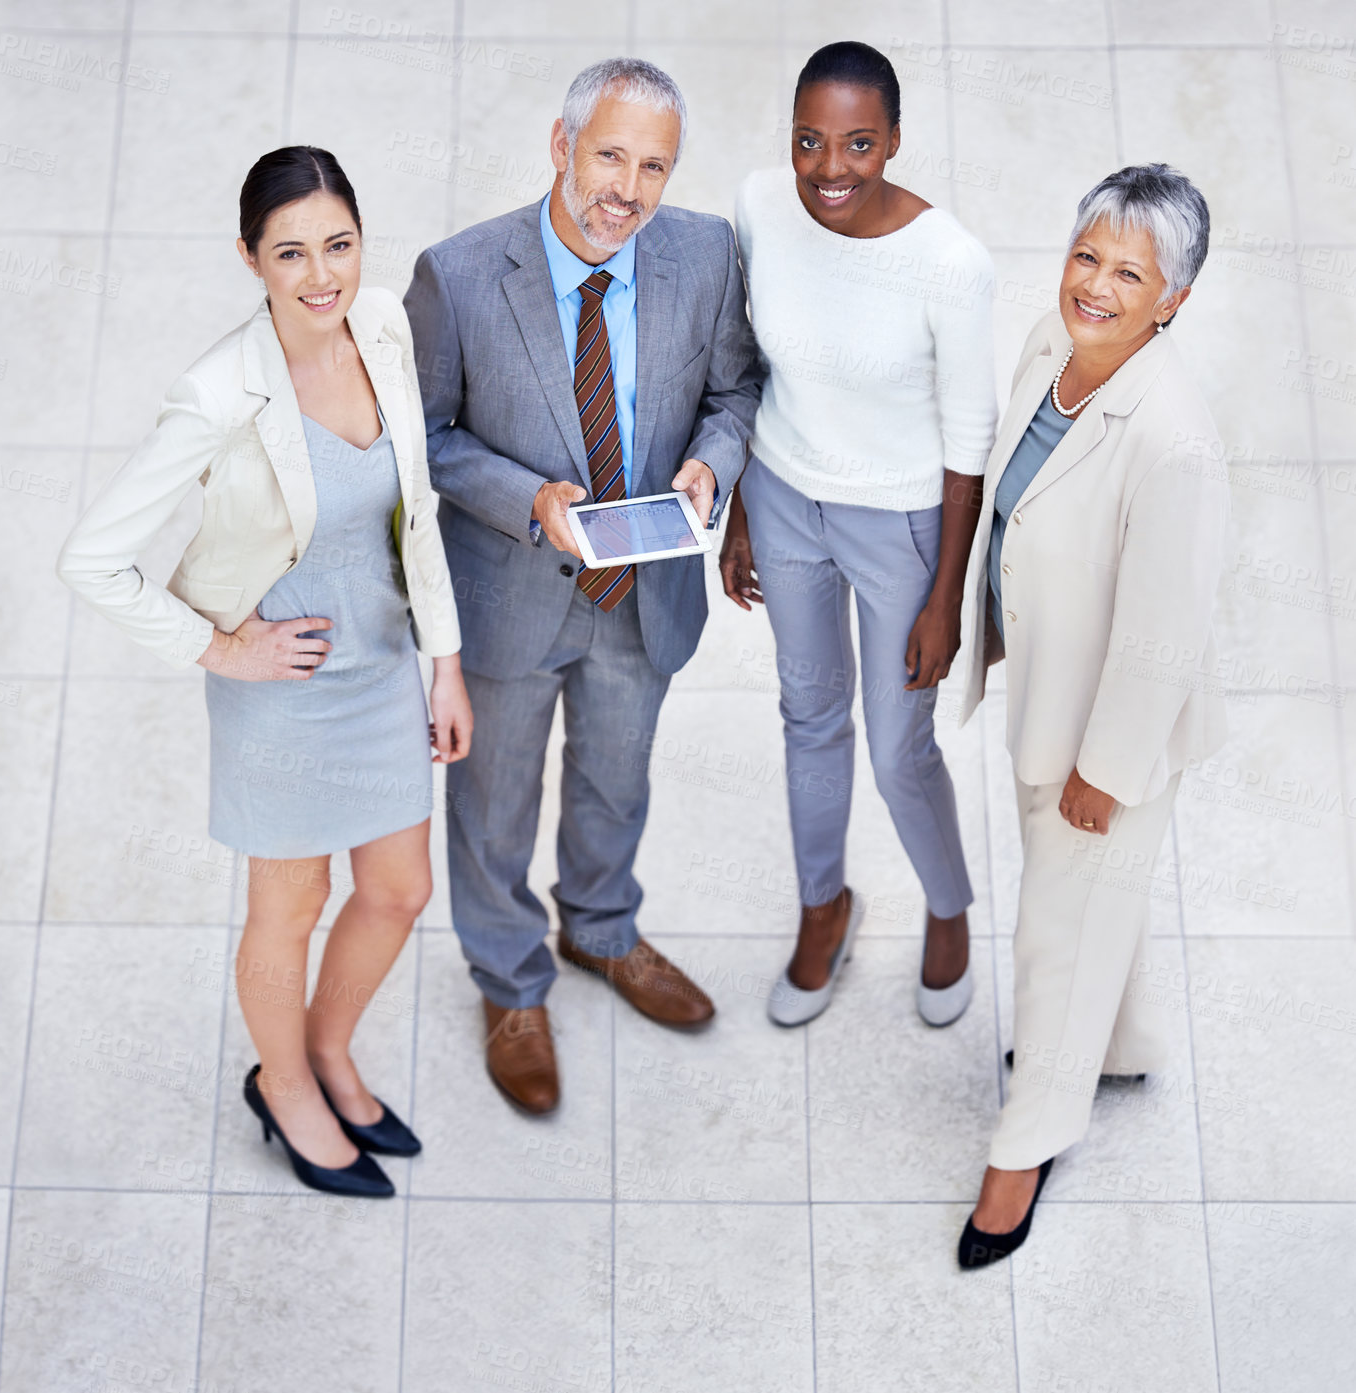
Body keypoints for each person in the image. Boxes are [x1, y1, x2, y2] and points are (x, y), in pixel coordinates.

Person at [56, 147, 471, 1198]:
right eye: (291, 252)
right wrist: (225, 648)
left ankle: (329, 1050)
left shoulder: (381, 324)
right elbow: (92, 559)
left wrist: (447, 664)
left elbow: (414, 510)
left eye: (338, 243)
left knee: (399, 887)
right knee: (291, 905)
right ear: (251, 259)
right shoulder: (216, 393)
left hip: (380, 664)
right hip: (280, 689)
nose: (320, 274)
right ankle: (283, 1084)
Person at [404, 58, 761, 1114]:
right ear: (561, 147)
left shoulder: (703, 254)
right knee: (494, 804)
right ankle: (512, 981)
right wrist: (527, 495)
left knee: (617, 779)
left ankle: (600, 929)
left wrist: (713, 463)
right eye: (610, 155)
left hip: (640, 593)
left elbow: (737, 392)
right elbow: (421, 441)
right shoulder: (460, 275)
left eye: (654, 166)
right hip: (510, 595)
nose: (629, 190)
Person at [953, 164, 1228, 1267]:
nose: (1097, 286)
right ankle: (1124, 1044)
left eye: (1130, 272)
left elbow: (1168, 630)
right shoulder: (1048, 351)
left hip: (1108, 741)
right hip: (1048, 695)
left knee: (1058, 939)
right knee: (1086, 908)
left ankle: (1027, 1146)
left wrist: (1104, 772)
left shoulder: (1176, 441)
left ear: (1174, 300)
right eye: (1087, 257)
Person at [721, 41, 996, 1030]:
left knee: (897, 749)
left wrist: (944, 598)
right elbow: (747, 363)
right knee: (809, 716)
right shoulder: (758, 205)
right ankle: (822, 905)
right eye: (809, 140)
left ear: (893, 143)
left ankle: (950, 907)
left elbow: (970, 441)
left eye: (858, 143)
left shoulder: (949, 263)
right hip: (786, 496)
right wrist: (745, 506)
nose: (829, 168)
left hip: (903, 521)